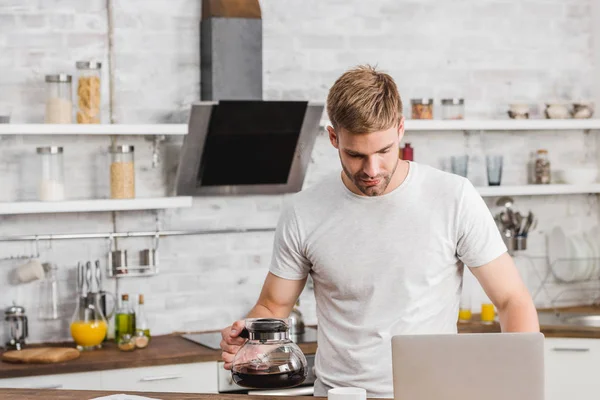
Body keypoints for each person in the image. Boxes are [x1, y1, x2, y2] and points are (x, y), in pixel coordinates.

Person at [220, 65, 539, 398]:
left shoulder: (453, 197)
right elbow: (272, 307)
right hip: (340, 395)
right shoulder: (303, 212)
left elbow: (511, 299)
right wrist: (250, 341)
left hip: (433, 393)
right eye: (356, 155)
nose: (371, 170)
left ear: (400, 129)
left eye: (384, 151)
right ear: (333, 138)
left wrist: (519, 388)